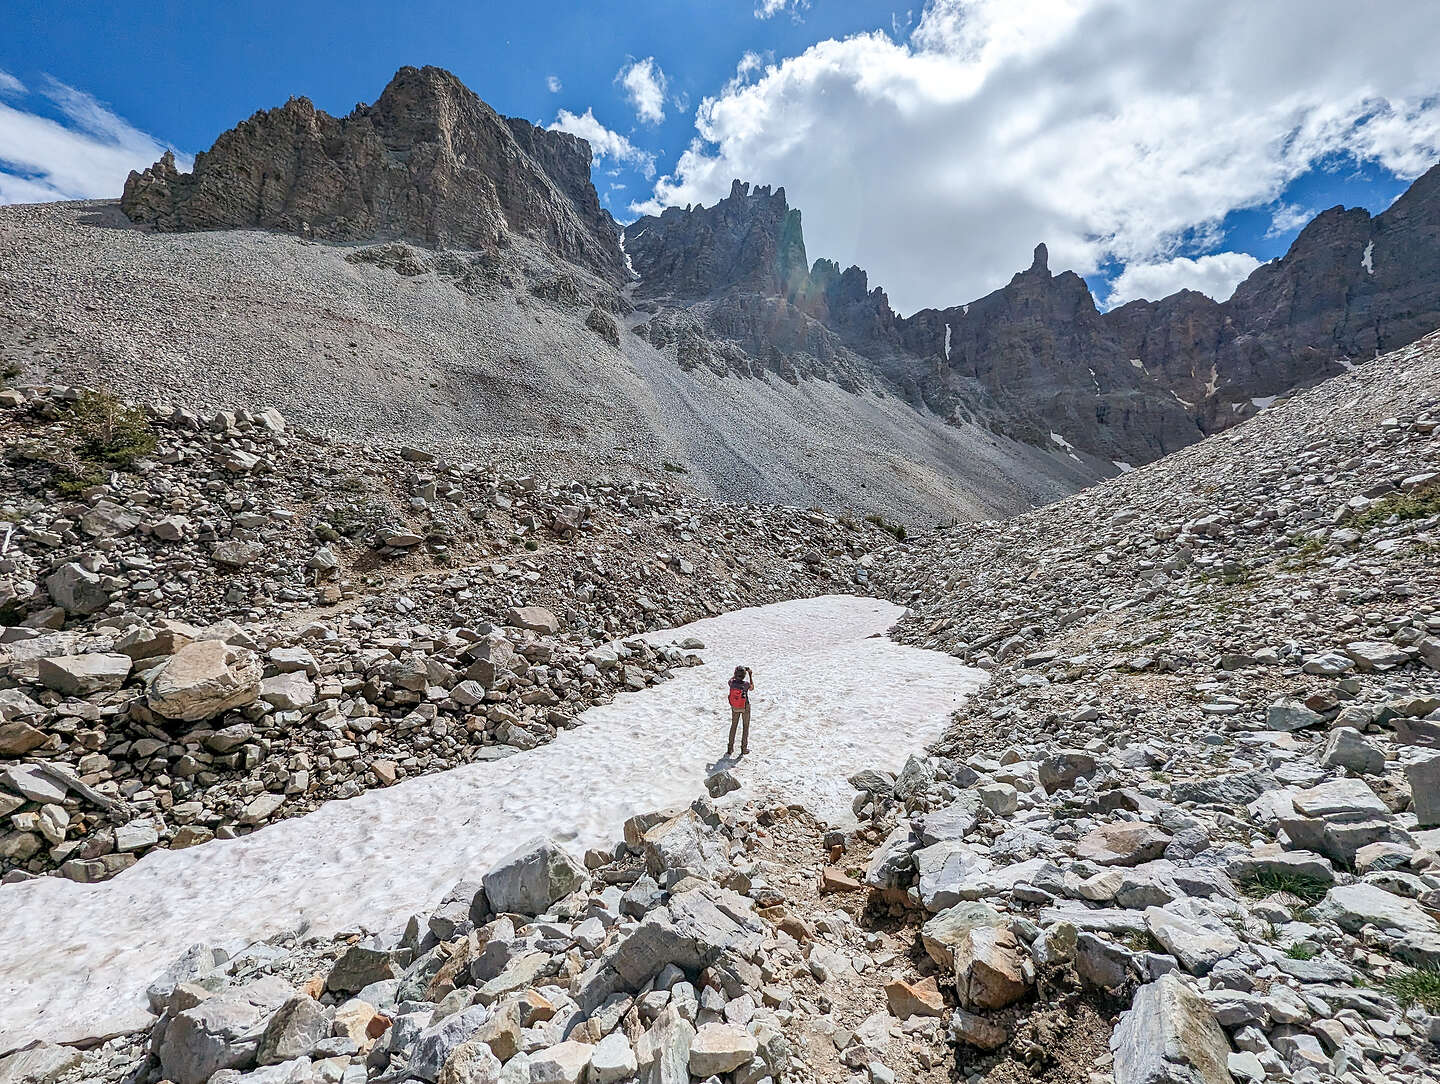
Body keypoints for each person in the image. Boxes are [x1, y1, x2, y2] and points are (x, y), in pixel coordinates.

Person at [726, 665, 754, 757]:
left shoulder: (731, 683)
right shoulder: (745, 684)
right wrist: (750, 675)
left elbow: (730, 680)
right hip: (745, 706)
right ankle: (744, 749)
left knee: (733, 726)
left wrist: (735, 674)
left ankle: (730, 749)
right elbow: (752, 687)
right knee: (745, 727)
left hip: (735, 707)